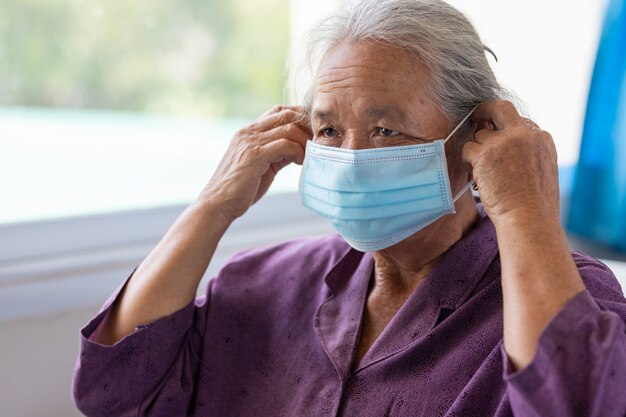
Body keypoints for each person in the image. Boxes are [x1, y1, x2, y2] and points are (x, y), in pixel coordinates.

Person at [72, 0, 626, 416]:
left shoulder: (564, 293)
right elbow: (115, 391)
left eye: (385, 130)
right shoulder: (261, 283)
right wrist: (214, 205)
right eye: (329, 129)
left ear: (472, 138)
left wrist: (525, 211)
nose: (352, 157)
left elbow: (580, 404)